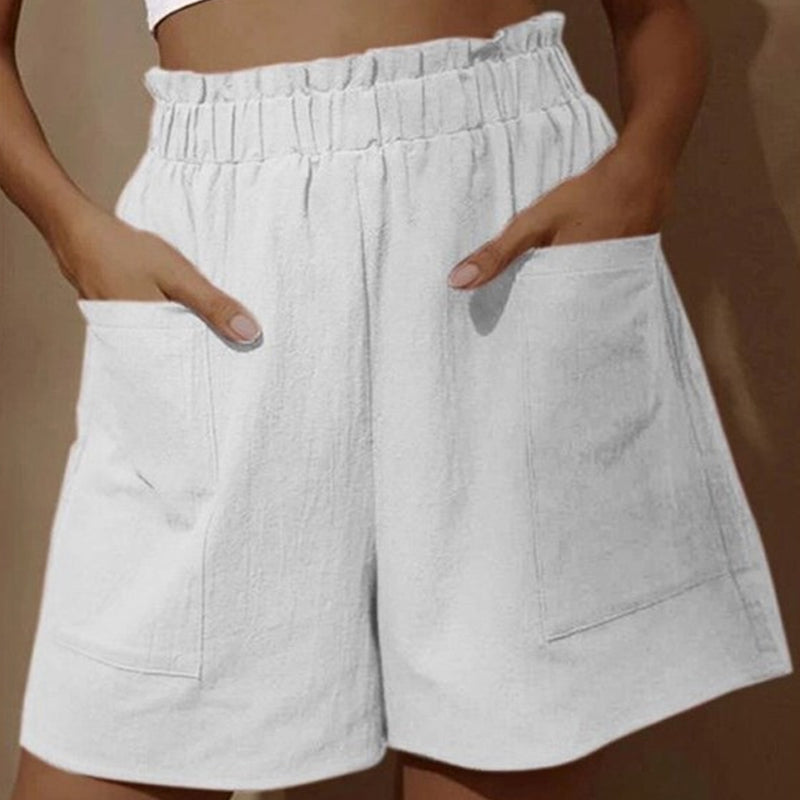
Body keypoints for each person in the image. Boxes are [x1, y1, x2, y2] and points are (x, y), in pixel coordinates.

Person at [3, 0, 793, 798]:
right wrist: (75, 233)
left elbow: (655, 18)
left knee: (505, 738)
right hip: (229, 262)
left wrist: (640, 172)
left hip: (501, 241)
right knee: (120, 731)